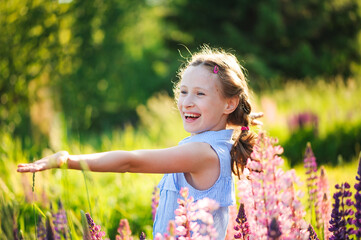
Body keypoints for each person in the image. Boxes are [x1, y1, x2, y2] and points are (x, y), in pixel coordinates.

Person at [17, 45, 262, 239]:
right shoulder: (220, 144)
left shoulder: (202, 153)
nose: (187, 101)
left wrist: (67, 160)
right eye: (183, 91)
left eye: (200, 93)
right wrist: (242, 116)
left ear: (229, 103)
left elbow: (130, 162)